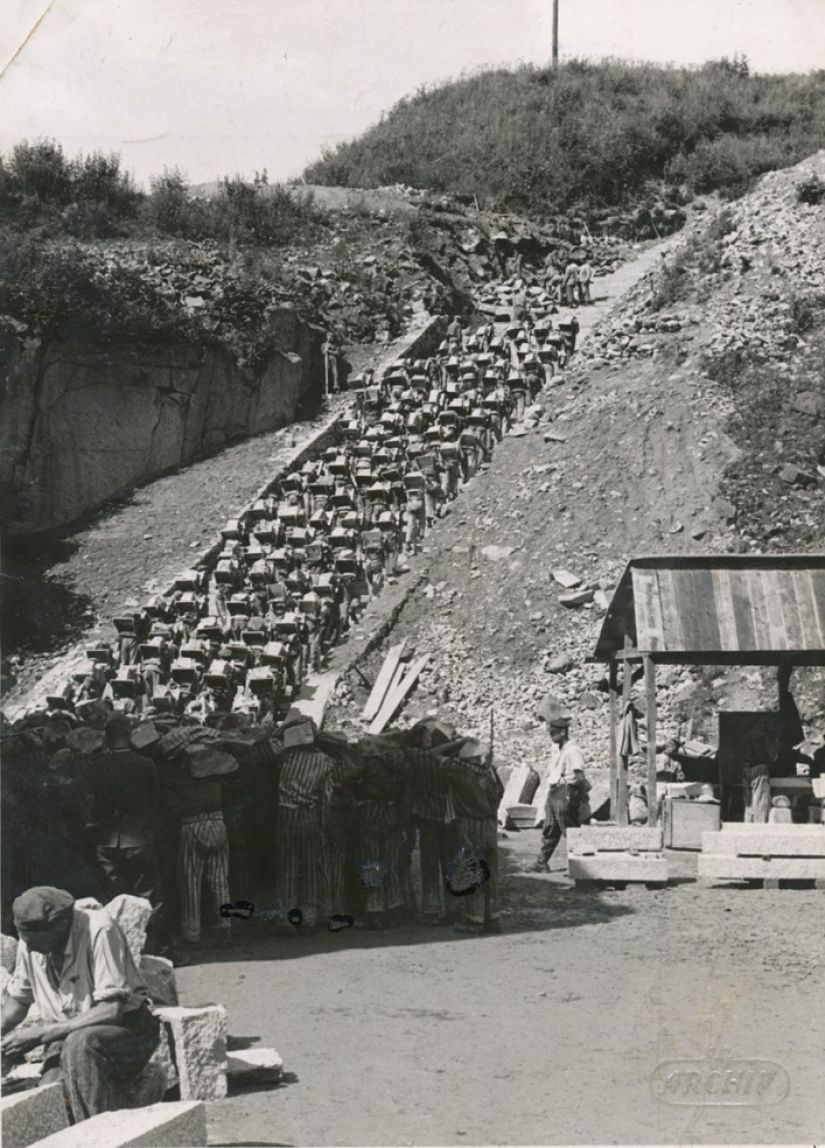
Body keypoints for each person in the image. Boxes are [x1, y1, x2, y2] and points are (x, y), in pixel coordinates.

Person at [1, 887, 160, 1123]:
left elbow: (111, 1009)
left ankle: (98, 1137)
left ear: (61, 925)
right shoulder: (31, 940)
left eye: (34, 941)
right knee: (49, 1100)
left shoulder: (99, 930)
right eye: (25, 939)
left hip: (129, 1033)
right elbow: (19, 1001)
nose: (29, 947)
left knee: (82, 1044)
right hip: (65, 1037)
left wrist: (40, 1034)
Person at [84, 716, 179, 962]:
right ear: (129, 735)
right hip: (138, 838)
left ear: (106, 737)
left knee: (116, 899)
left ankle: (121, 955)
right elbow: (154, 801)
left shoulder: (96, 766)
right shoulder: (145, 764)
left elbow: (90, 802)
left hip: (106, 842)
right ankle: (158, 950)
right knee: (150, 898)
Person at [447, 739, 503, 935]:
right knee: (492, 872)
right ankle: (493, 917)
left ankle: (475, 919)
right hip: (490, 824)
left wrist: (457, 743)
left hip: (471, 824)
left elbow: (434, 757)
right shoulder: (491, 773)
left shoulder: (459, 771)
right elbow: (501, 793)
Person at [527, 703, 590, 872]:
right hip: (555, 792)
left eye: (553, 733)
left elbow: (578, 775)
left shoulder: (573, 750)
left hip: (566, 792)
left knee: (569, 829)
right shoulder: (559, 751)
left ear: (562, 732)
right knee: (551, 828)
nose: (551, 736)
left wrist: (581, 795)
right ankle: (542, 862)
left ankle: (581, 866)